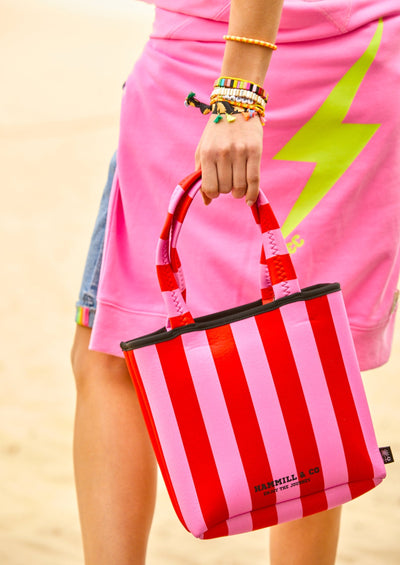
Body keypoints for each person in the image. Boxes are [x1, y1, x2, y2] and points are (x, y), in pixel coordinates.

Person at [71, 0, 400, 564]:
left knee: (112, 356)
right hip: (357, 59)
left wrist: (239, 94)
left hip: (220, 70)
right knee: (309, 356)